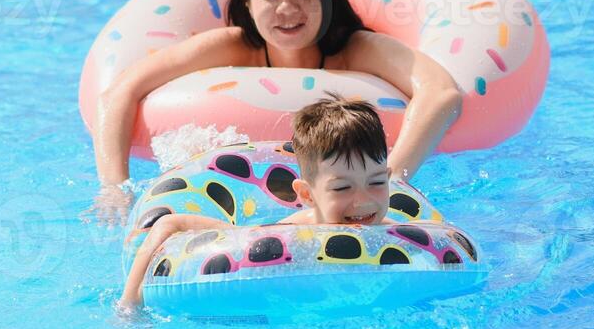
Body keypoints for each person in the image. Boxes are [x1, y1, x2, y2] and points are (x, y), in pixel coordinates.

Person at [94, 0, 462, 220]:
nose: (288, 8)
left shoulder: (358, 49)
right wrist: (115, 187)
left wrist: (393, 178)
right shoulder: (231, 47)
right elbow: (119, 93)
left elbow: (441, 94)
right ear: (247, 2)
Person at [119, 95, 394, 310]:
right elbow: (172, 225)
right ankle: (127, 302)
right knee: (169, 223)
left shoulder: (391, 232)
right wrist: (132, 304)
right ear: (308, 195)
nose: (363, 200)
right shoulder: (294, 236)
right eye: (343, 187)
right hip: (262, 244)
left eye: (377, 182)